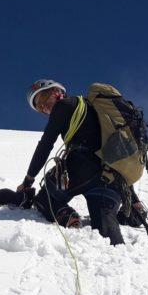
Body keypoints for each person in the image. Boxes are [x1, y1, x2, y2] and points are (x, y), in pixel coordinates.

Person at [17, 79, 125, 246]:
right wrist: (134, 199)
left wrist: (28, 181)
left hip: (81, 171)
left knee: (42, 201)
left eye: (44, 99)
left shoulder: (63, 106)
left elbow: (45, 145)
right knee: (105, 225)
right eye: (39, 107)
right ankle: (119, 254)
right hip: (110, 180)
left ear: (56, 92)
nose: (44, 107)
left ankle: (65, 214)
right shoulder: (95, 109)